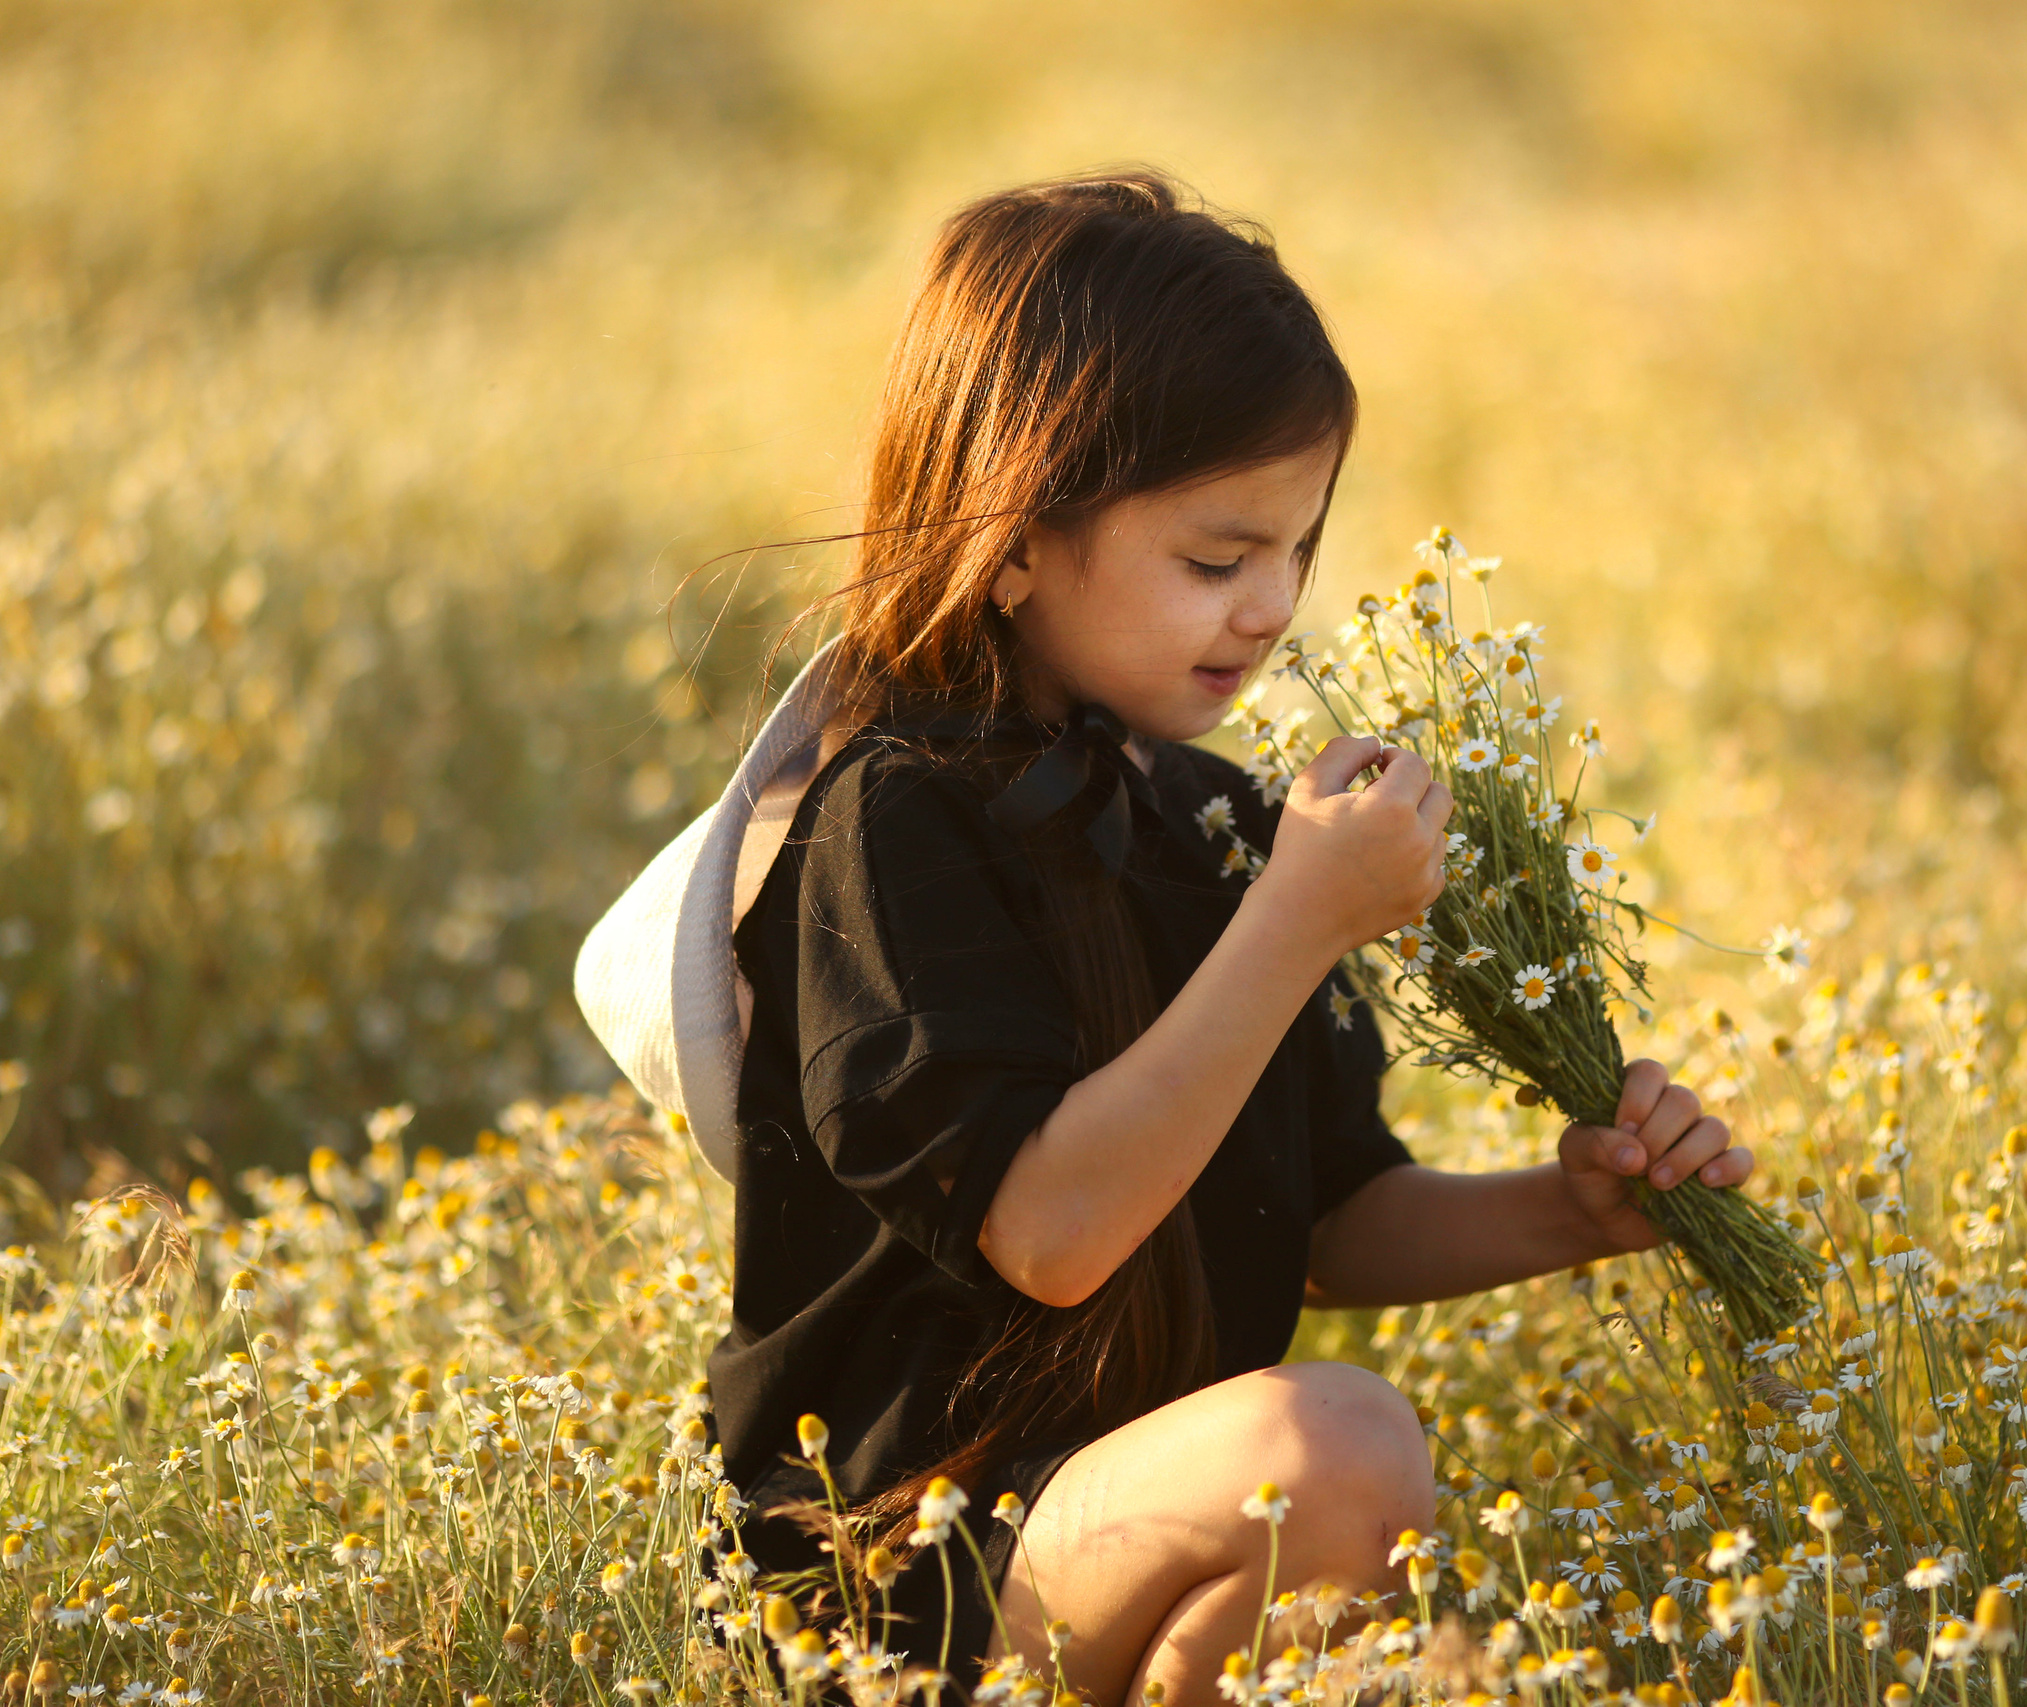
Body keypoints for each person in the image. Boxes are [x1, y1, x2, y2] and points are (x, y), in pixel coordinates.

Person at [575, 170, 1754, 1706]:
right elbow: (1052, 1237)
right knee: (1329, 1448)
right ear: (1012, 541)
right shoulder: (893, 821)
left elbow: (1327, 1218)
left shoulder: (1217, 820)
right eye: (1216, 559)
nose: (1270, 608)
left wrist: (1582, 1209)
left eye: (1297, 553)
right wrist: (1296, 921)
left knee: (1324, 1456)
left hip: (1110, 1516)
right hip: (895, 1563)